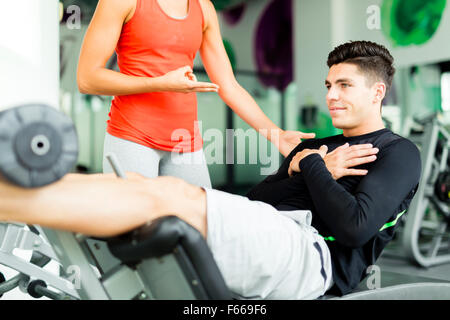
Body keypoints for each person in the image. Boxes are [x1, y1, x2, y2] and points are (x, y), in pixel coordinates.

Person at [1, 41, 421, 299]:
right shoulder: (315, 145)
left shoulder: (397, 152)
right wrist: (311, 165)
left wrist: (312, 165)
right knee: (140, 187)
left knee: (169, 196)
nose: (331, 95)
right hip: (274, 231)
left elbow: (354, 228)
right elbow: (258, 202)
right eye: (329, 85)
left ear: (377, 91)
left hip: (314, 259)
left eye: (344, 85)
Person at [77, 0, 313, 188]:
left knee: (199, 231)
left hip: (185, 142)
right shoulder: (120, 2)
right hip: (132, 137)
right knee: (136, 234)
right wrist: (160, 83)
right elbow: (87, 78)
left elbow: (229, 85)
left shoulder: (204, 8)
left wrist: (277, 135)